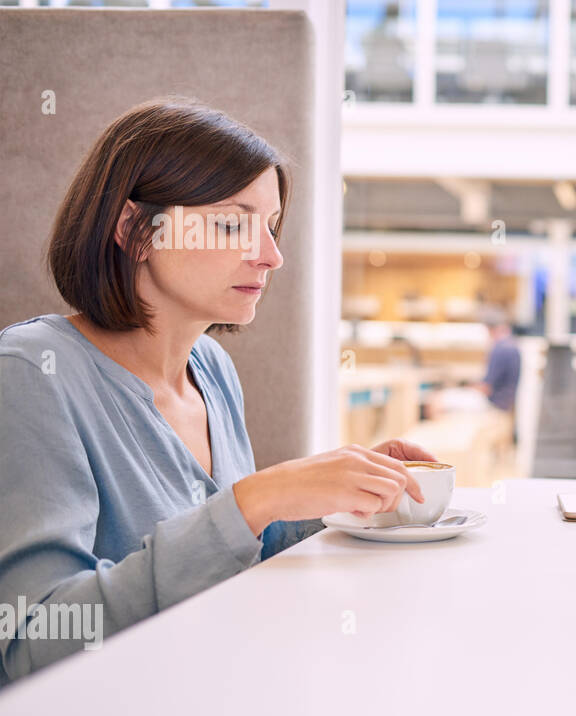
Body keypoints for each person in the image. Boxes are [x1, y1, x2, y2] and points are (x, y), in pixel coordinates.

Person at [0, 98, 436, 683]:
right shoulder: (33, 374)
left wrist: (335, 490)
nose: (271, 255)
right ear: (134, 229)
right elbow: (33, 643)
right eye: (234, 223)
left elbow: (229, 552)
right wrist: (256, 499)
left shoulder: (211, 367)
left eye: (272, 226)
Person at [475, 308, 521, 413]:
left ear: (489, 329)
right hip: (506, 403)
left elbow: (486, 388)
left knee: (439, 400)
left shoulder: (500, 349)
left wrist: (467, 388)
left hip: (495, 404)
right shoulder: (513, 345)